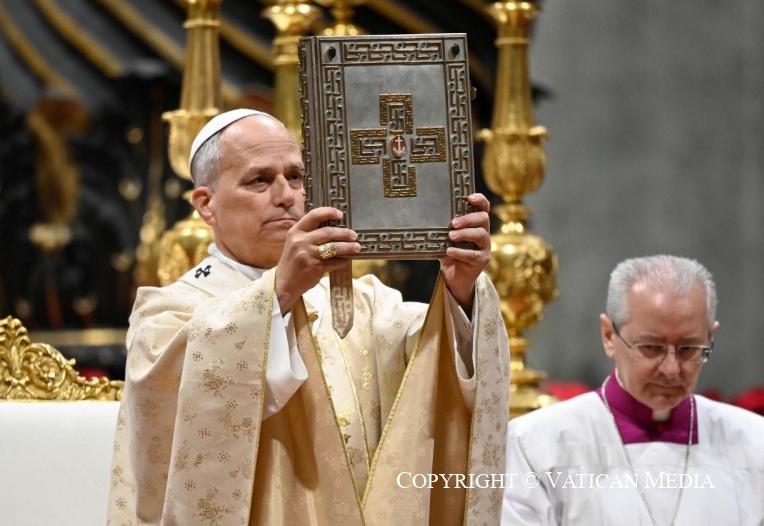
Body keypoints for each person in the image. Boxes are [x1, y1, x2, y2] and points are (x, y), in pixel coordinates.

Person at [106, 108, 510, 525]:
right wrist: (280, 292)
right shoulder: (170, 311)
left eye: (295, 177)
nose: (286, 196)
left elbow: (436, 366)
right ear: (206, 205)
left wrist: (460, 287)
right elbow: (173, 427)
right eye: (259, 179)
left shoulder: (360, 300)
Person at [502, 255, 764, 525]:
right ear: (609, 336)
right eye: (651, 347)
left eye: (688, 349)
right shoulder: (536, 446)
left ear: (711, 337)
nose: (671, 369)